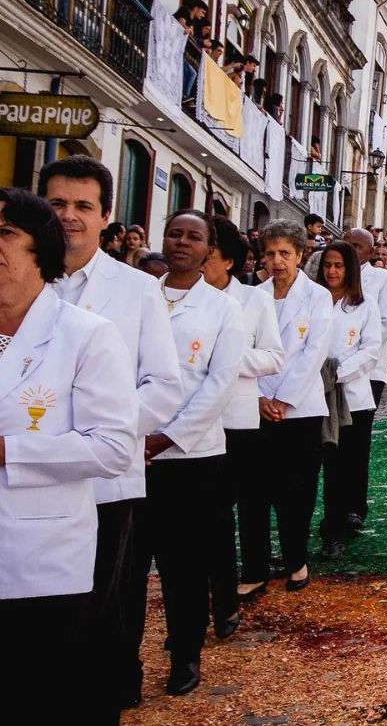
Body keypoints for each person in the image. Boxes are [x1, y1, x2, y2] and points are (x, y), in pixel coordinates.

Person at [39, 154, 183, 716]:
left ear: (107, 218)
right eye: (57, 204)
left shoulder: (137, 290)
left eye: (83, 206)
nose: (69, 216)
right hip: (22, 472)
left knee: (101, 607)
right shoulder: (19, 280)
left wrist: (101, 438)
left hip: (105, 479)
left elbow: (163, 384)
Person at [0, 188, 136, 718]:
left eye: (7, 233)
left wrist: (12, 451)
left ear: (43, 250)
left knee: (38, 695)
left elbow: (114, 447)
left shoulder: (85, 336)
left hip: (40, 557)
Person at [135, 209, 244, 696]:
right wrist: (133, 436)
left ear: (209, 249)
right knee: (128, 568)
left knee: (184, 566)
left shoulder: (224, 310)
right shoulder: (139, 297)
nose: (181, 242)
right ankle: (123, 666)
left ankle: (184, 656)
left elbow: (219, 385)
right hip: (127, 452)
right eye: (175, 233)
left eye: (193, 236)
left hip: (191, 456)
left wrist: (164, 439)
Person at [200, 217, 283, 644]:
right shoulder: (172, 297)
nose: (198, 261)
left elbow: (272, 357)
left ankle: (238, 586)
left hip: (235, 418)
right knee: (197, 521)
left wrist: (225, 361)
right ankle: (197, 607)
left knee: (235, 508)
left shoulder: (254, 301)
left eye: (208, 255)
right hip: (187, 424)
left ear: (228, 260)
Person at [249, 219, 333, 594]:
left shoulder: (318, 297)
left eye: (285, 253)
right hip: (257, 406)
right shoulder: (254, 295)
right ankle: (254, 566)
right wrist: (260, 398)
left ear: (301, 254)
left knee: (296, 488)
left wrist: (282, 399)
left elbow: (313, 352)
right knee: (255, 488)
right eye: (270, 253)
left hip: (300, 408)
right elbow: (245, 350)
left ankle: (296, 559)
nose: (277, 261)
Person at [316, 241, 381, 561]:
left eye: (339, 266)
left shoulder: (364, 304)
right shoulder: (312, 300)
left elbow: (370, 349)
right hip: (311, 392)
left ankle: (336, 528)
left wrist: (336, 373)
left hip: (351, 396)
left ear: (350, 270)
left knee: (345, 466)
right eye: (327, 265)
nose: (331, 271)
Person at [342, 228, 387, 528]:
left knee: (357, 440)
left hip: (368, 370)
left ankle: (355, 507)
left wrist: (353, 351)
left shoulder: (382, 279)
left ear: (370, 251)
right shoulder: (331, 276)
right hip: (330, 372)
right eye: (347, 244)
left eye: (358, 247)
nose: (351, 251)